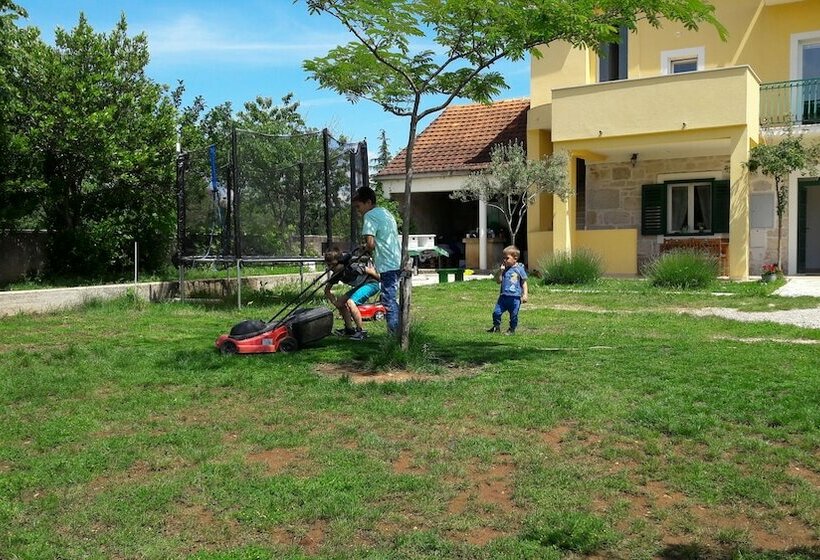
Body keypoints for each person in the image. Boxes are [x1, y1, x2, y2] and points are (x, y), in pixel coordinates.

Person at [351, 186, 401, 335]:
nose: (358, 211)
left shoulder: (370, 215)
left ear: (368, 202)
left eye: (359, 206)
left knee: (388, 301)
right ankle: (398, 331)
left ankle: (394, 336)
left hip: (386, 264)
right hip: (396, 261)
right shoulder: (385, 212)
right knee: (392, 299)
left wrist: (363, 247)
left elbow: (371, 244)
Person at [323, 248, 380, 341]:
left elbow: (370, 271)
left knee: (351, 302)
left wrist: (382, 281)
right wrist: (335, 302)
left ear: (340, 262)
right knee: (341, 302)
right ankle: (349, 329)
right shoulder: (336, 274)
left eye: (332, 265)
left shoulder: (351, 267)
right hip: (361, 286)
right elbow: (327, 290)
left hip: (371, 284)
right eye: (328, 265)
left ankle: (361, 331)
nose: (330, 268)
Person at [487, 245, 528, 335]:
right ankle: (496, 326)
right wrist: (500, 271)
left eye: (507, 258)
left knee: (514, 315)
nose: (504, 260)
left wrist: (525, 294)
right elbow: (499, 281)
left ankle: (512, 329)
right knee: (496, 312)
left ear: (515, 258)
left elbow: (524, 283)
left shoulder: (519, 269)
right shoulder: (504, 269)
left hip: (515, 298)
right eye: (503, 258)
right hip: (503, 297)